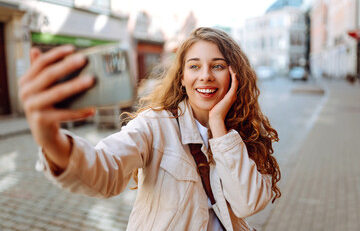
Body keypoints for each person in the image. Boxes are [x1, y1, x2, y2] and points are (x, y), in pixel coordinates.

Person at [19, 27, 281, 231]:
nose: (206, 76)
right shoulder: (155, 125)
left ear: (235, 76)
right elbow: (104, 170)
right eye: (194, 66)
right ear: (182, 77)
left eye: (218, 65)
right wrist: (51, 139)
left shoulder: (246, 133)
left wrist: (218, 125)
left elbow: (248, 204)